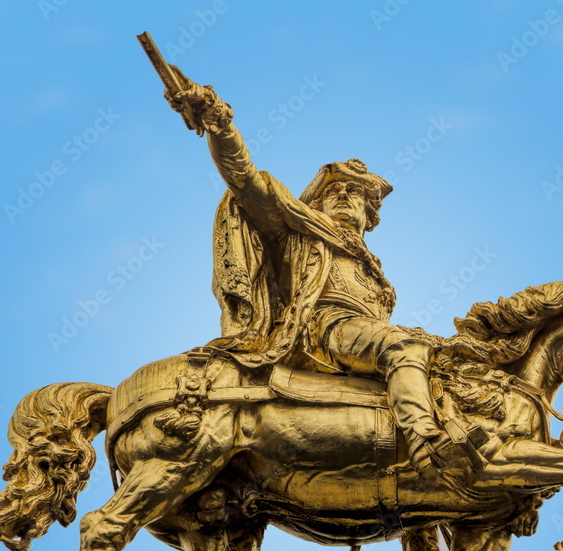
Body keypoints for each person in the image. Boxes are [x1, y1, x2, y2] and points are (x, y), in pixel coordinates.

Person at [164, 68, 468, 479]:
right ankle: (424, 440)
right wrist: (218, 121)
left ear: (370, 216)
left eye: (355, 193)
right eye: (332, 191)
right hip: (322, 331)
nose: (343, 195)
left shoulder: (374, 270)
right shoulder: (296, 231)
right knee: (402, 347)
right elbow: (244, 178)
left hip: (356, 343)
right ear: (316, 205)